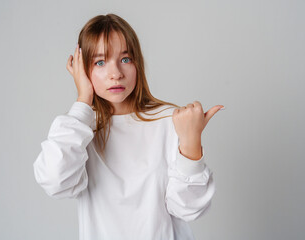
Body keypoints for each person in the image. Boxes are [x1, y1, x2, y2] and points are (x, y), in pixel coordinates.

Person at [33, 13, 225, 240]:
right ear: (83, 70)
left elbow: (189, 209)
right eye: (100, 62)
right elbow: (55, 180)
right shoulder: (80, 128)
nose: (116, 74)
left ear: (137, 64)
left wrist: (191, 142)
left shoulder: (170, 120)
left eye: (125, 59)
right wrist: (83, 99)